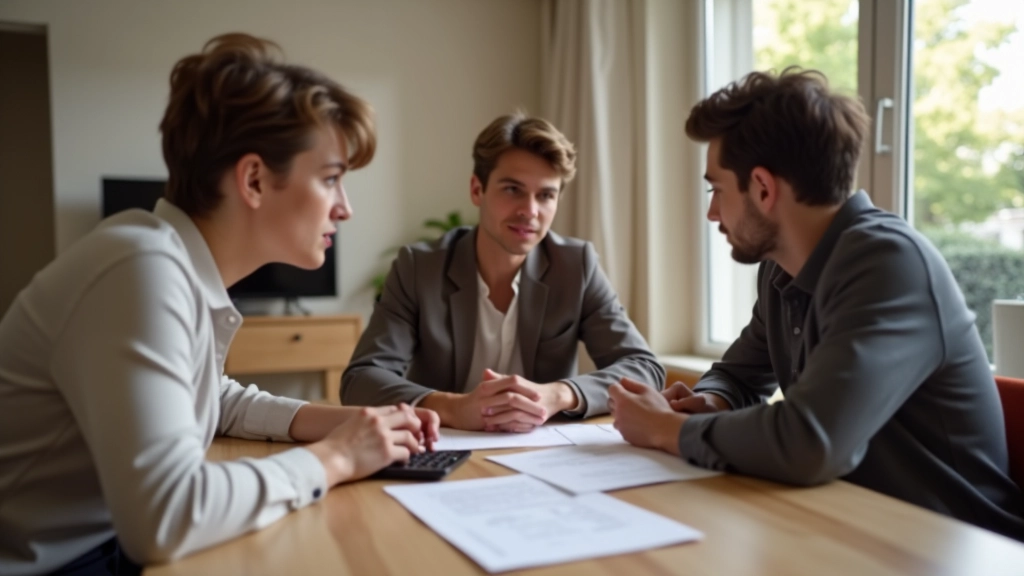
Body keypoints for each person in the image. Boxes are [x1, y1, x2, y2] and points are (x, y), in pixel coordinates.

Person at [0, 33, 439, 575]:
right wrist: (339, 456)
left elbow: (216, 401)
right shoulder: (139, 270)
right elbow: (166, 517)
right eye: (330, 180)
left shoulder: (168, 262)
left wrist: (351, 422)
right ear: (254, 179)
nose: (344, 209)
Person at [608, 67, 1024, 540]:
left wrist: (664, 430)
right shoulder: (782, 266)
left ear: (763, 189)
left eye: (716, 189)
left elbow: (812, 442)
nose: (712, 212)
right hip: (851, 526)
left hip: (960, 546)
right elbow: (742, 374)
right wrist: (711, 398)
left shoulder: (887, 262)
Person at [342, 112, 664, 431]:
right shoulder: (419, 269)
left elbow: (644, 368)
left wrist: (559, 394)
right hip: (445, 449)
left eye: (546, 195)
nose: (530, 211)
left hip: (543, 453)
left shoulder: (576, 266)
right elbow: (361, 379)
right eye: (513, 189)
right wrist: (454, 408)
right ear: (477, 190)